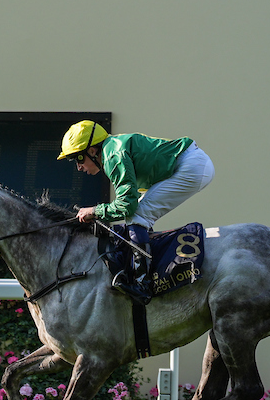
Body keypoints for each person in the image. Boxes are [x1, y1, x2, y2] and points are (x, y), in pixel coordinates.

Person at [57, 121, 214, 304]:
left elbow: (126, 206)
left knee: (137, 216)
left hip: (191, 167)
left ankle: (142, 284)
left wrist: (94, 211)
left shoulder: (113, 155)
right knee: (138, 215)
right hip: (190, 163)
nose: (79, 167)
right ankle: (144, 271)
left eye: (78, 158)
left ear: (92, 151)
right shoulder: (111, 149)